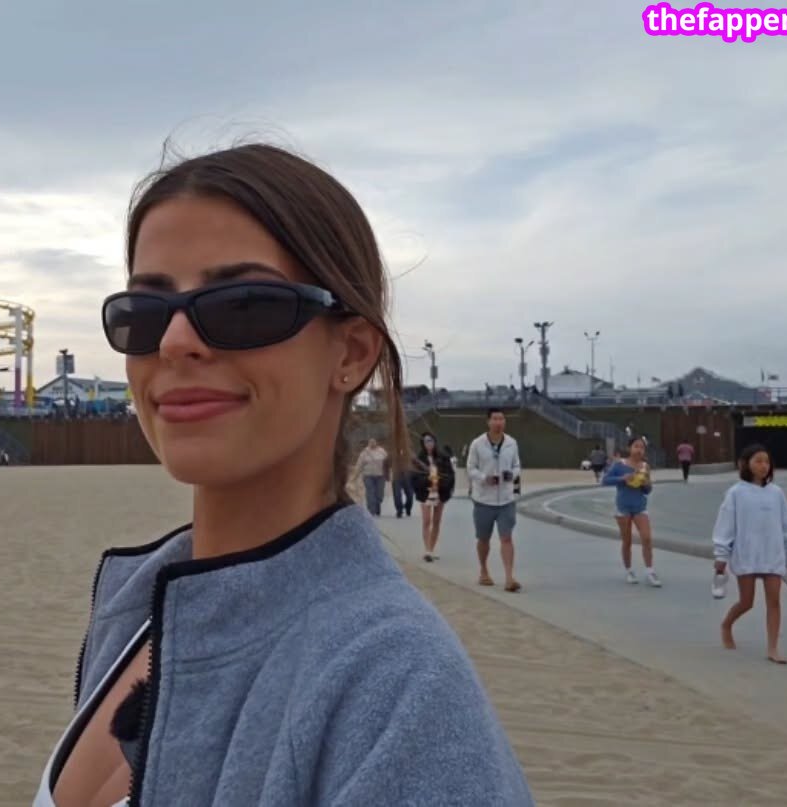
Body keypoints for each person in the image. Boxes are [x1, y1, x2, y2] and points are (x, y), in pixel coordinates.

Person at [48, 143, 531, 806]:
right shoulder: (137, 609)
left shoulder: (396, 683)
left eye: (243, 305)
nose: (174, 342)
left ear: (350, 352)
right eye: (143, 314)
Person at [712, 445, 787, 664]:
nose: (763, 466)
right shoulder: (736, 493)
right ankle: (726, 625)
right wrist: (721, 556)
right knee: (747, 602)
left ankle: (773, 648)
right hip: (747, 554)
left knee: (774, 602)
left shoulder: (776, 493)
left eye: (766, 461)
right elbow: (725, 526)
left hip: (773, 554)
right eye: (758, 461)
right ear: (745, 464)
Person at [466, 408, 523, 592]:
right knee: (484, 539)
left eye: (502, 419)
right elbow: (470, 468)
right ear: (488, 421)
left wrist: (512, 474)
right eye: (495, 419)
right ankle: (484, 571)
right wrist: (484, 478)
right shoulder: (477, 443)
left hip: (506, 499)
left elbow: (517, 465)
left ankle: (509, 578)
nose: (499, 422)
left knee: (506, 537)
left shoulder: (512, 443)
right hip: (484, 499)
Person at [602, 436, 660, 587]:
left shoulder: (645, 466)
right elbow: (605, 480)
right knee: (627, 541)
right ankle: (629, 571)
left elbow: (647, 490)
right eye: (636, 446)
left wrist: (646, 484)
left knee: (646, 538)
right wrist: (623, 478)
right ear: (629, 448)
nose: (639, 450)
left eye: (642, 447)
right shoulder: (619, 465)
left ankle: (650, 571)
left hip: (640, 506)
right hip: (623, 507)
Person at [410, 432, 454, 562]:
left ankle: (431, 549)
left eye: (431, 440)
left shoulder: (443, 457)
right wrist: (427, 481)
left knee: (436, 521)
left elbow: (450, 475)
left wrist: (441, 483)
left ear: (435, 442)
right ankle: (427, 550)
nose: (429, 443)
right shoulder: (418, 459)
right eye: (426, 441)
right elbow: (414, 477)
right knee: (426, 520)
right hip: (426, 492)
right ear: (423, 443)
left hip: (440, 492)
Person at [353, 437, 388, 516]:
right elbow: (359, 465)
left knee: (380, 494)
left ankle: (377, 505)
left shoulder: (382, 451)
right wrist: (355, 476)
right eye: (371, 442)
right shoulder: (364, 453)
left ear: (376, 443)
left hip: (380, 476)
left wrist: (388, 472)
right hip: (368, 476)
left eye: (373, 442)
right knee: (370, 492)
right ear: (368, 443)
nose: (372, 443)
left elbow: (387, 462)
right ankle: (371, 510)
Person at [390, 444, 414, 519]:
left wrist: (425, 468)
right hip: (396, 477)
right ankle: (399, 510)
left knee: (410, 495)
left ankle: (408, 507)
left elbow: (416, 462)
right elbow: (385, 463)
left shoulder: (409, 453)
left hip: (407, 477)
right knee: (397, 495)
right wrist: (386, 473)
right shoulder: (392, 453)